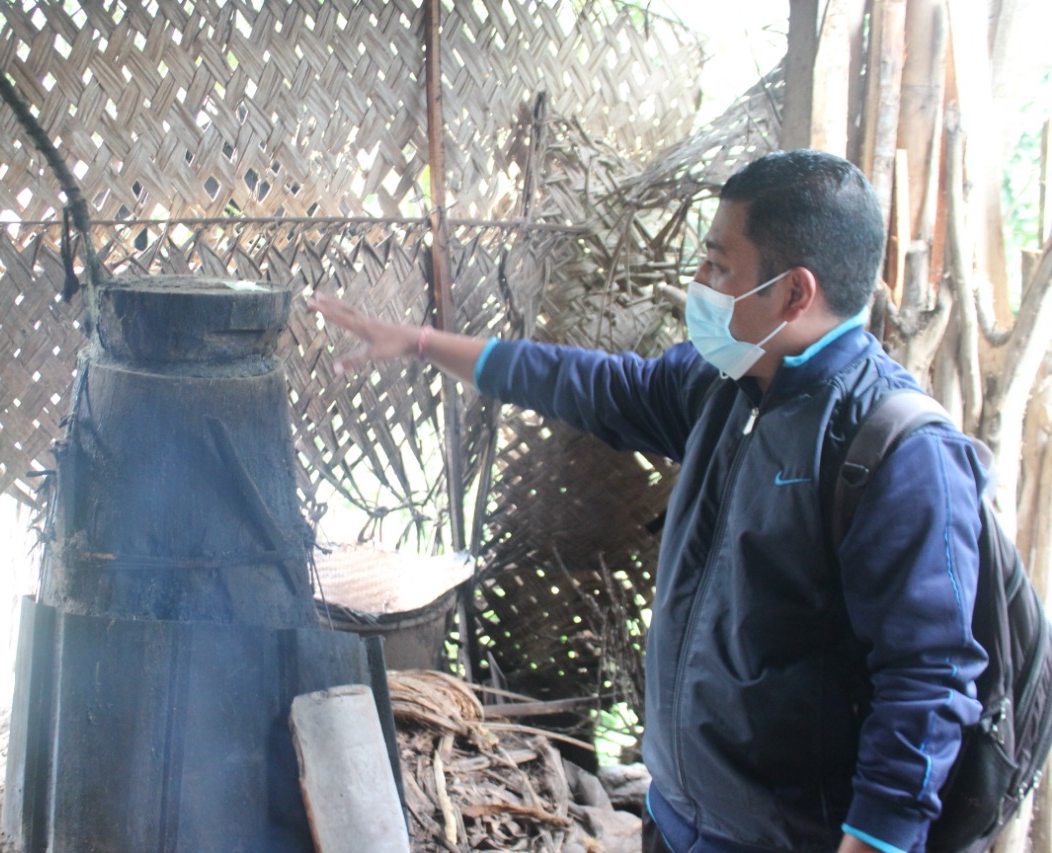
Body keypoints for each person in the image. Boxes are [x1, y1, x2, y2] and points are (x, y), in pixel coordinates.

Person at [309, 149, 986, 853]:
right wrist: (422, 343)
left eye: (720, 266)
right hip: (679, 821)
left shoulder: (898, 451)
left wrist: (871, 843)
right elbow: (586, 382)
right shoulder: (725, 386)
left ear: (794, 293)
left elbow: (928, 685)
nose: (699, 284)